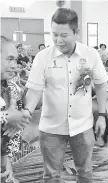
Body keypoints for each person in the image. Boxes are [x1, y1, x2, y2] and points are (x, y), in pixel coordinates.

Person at [23, 8, 108, 183]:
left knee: (84, 172)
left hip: (82, 126)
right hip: (51, 128)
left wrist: (102, 115)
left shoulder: (90, 55)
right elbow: (34, 90)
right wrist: (27, 111)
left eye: (64, 35)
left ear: (76, 32)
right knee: (52, 175)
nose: (58, 40)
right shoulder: (42, 57)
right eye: (54, 35)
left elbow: (100, 85)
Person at [1, 35, 31, 183]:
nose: (14, 65)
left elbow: (5, 136)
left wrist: (6, 166)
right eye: (9, 59)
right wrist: (6, 117)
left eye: (15, 60)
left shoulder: (6, 88)